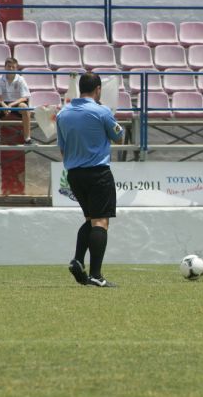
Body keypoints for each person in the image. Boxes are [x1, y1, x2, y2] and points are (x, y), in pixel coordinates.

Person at [56, 72, 125, 288]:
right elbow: (118, 135)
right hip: (98, 172)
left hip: (74, 174)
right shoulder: (101, 110)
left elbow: (61, 147)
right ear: (98, 90)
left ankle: (77, 260)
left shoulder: (63, 113)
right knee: (100, 222)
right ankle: (96, 274)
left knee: (90, 219)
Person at [0, 57, 32, 145]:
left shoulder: (21, 79)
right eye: (9, 66)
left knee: (24, 107)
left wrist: (11, 105)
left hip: (17, 105)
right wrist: (4, 105)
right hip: (3, 104)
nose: (11, 69)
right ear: (5, 67)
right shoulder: (0, 79)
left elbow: (24, 98)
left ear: (16, 68)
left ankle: (27, 138)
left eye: (13, 67)